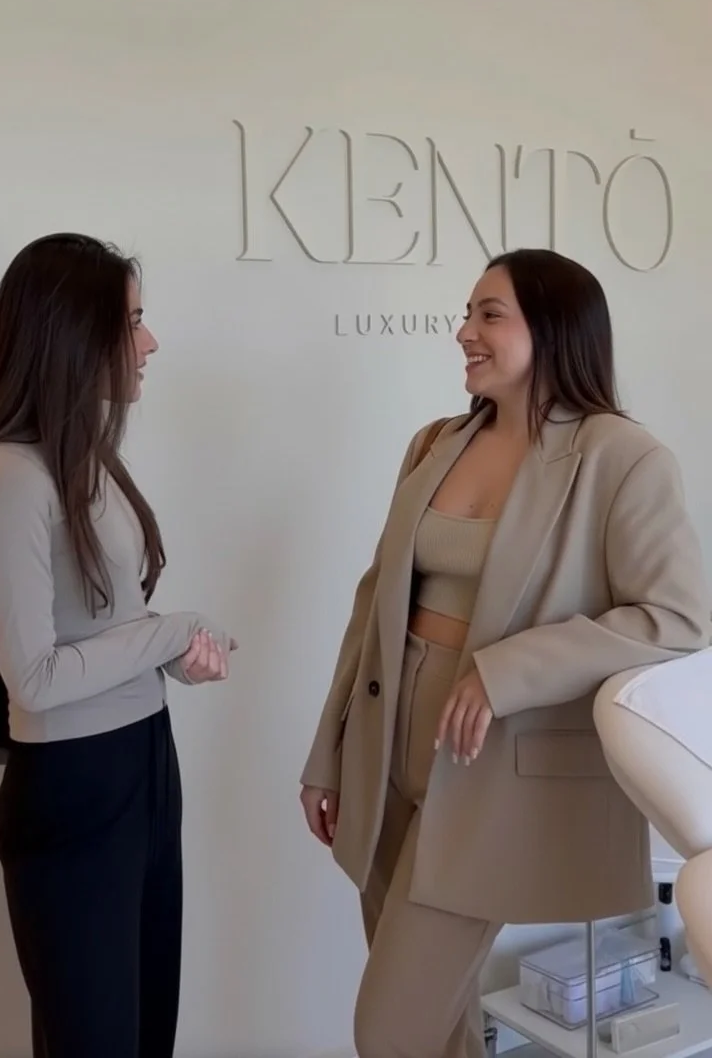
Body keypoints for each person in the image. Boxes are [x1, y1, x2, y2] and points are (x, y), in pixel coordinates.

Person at [300, 247, 709, 1058]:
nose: (464, 332)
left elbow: (676, 617)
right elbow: (373, 599)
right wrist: (328, 752)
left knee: (388, 1032)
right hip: (386, 754)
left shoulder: (622, 459)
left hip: (488, 771)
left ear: (553, 331)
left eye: (490, 315)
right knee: (439, 1028)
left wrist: (505, 670)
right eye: (468, 313)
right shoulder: (434, 444)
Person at [0, 233, 235, 1058]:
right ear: (72, 335)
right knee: (93, 1041)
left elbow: (104, 632)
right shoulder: (5, 477)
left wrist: (169, 656)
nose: (150, 342)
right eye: (132, 322)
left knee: (147, 1031)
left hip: (144, 764)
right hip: (73, 789)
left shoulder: (86, 459)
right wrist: (170, 632)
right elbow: (32, 677)